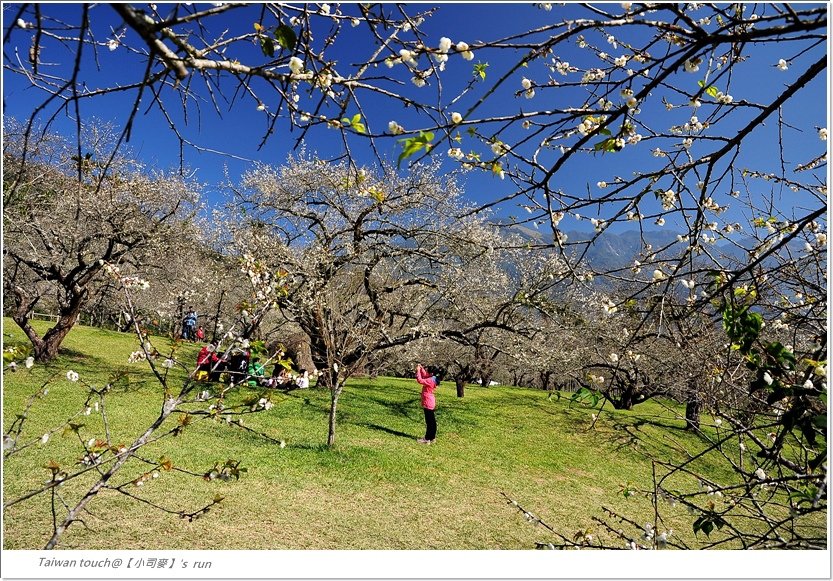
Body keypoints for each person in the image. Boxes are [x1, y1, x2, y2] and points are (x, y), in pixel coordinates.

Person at [415, 363, 441, 444]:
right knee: (432, 421)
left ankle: (427, 439)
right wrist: (421, 368)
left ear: (431, 373)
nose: (427, 372)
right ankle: (432, 437)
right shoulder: (433, 378)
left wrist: (418, 371)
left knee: (429, 422)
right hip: (430, 401)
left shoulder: (430, 380)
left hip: (428, 402)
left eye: (428, 371)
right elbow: (425, 375)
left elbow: (420, 380)